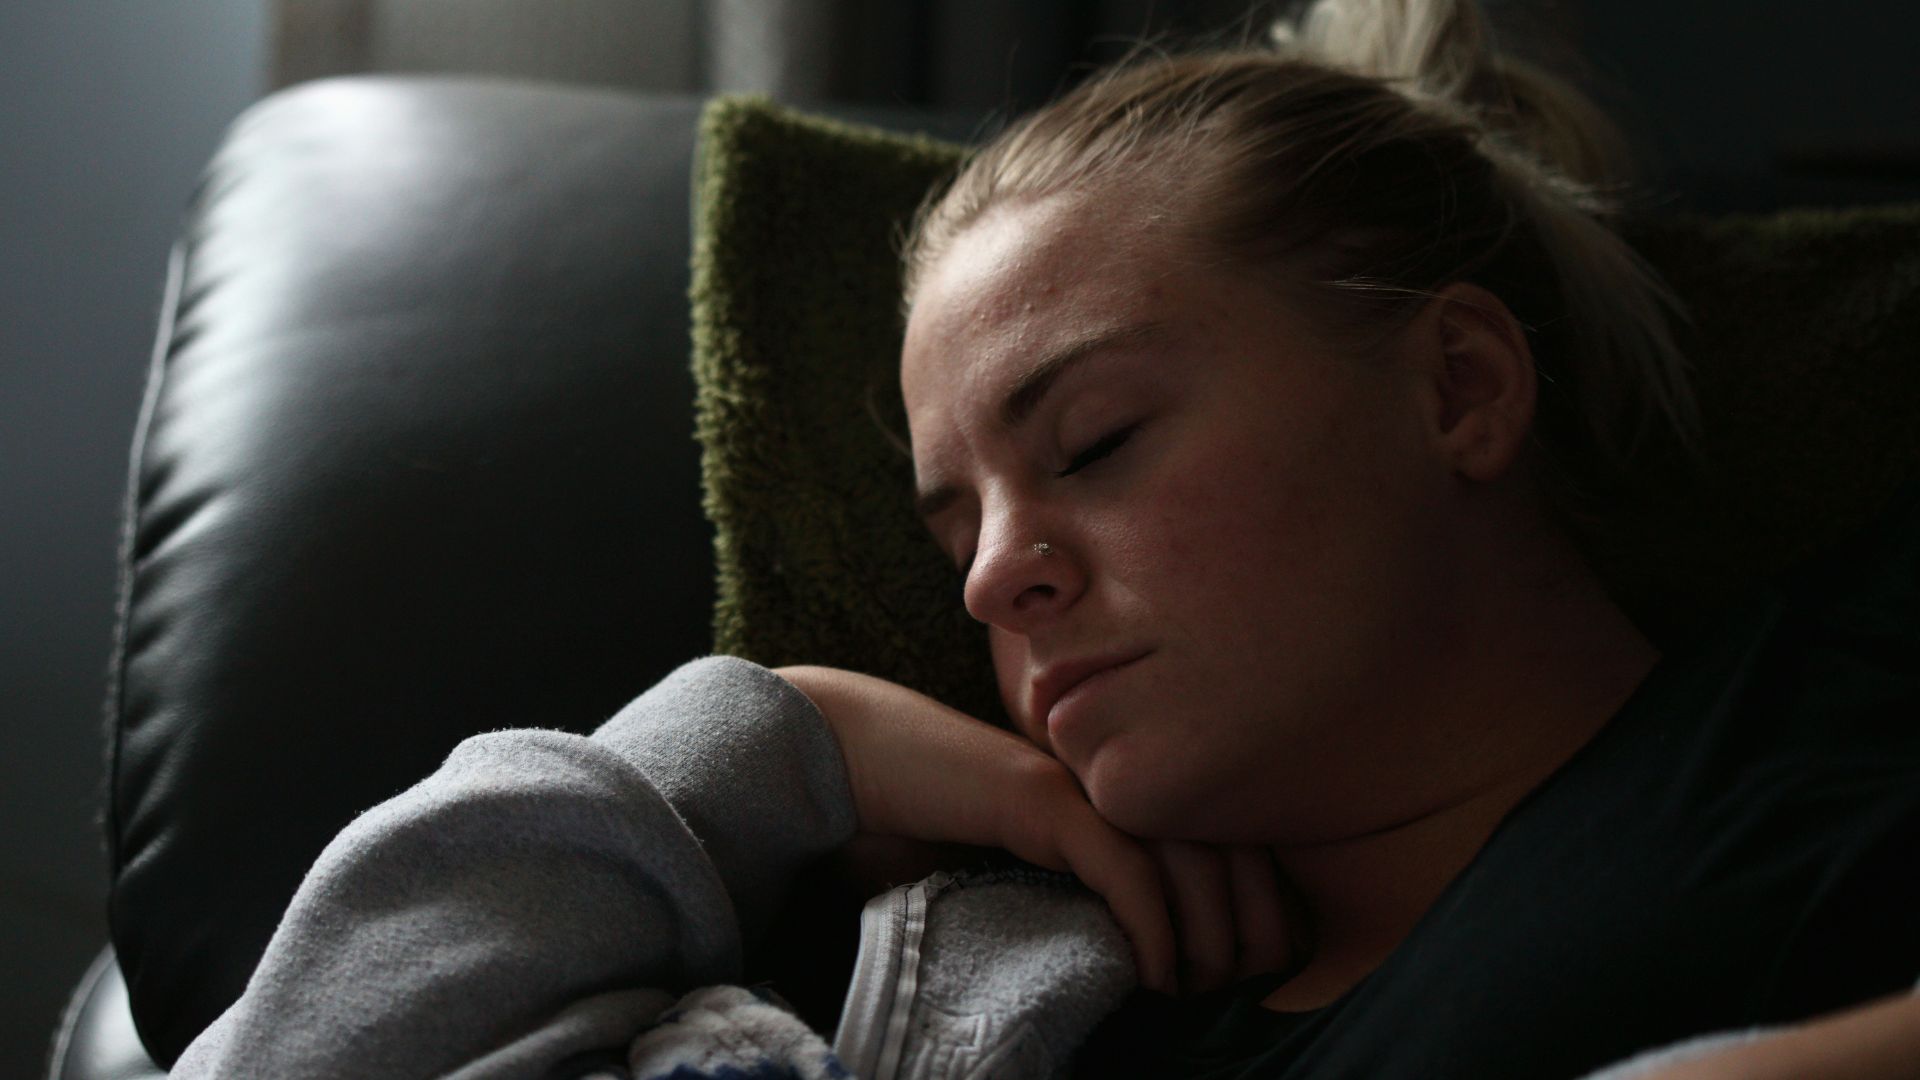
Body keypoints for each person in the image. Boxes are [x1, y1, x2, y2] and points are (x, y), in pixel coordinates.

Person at [171, 0, 1920, 1076]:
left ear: (1459, 387)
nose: (995, 574)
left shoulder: (1833, 698)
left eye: (1092, 443)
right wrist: (786, 739)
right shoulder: (1015, 985)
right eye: (956, 526)